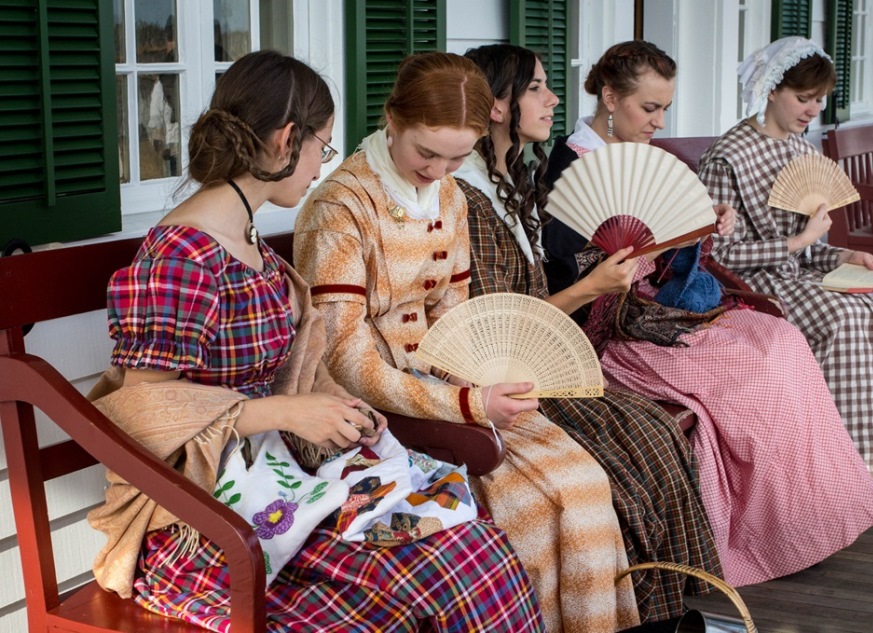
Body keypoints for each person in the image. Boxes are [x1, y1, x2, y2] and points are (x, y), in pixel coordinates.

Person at [86, 50, 543, 633]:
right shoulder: (181, 257)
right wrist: (285, 410)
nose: (320, 168)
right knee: (442, 570)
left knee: (477, 550)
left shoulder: (246, 244)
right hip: (204, 516)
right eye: (321, 148)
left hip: (281, 479)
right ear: (285, 141)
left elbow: (298, 363)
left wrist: (348, 410)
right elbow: (140, 412)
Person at [295, 51, 637, 632]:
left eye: (456, 157)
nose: (437, 171)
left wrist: (474, 379)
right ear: (391, 121)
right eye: (425, 152)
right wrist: (468, 405)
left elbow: (453, 316)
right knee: (524, 512)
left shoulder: (451, 196)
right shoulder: (340, 207)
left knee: (584, 485)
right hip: (374, 408)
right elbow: (343, 356)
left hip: (445, 384)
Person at [538, 40, 873, 587]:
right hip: (614, 327)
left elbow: (677, 236)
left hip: (666, 309)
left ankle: (802, 520)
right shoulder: (571, 166)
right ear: (609, 96)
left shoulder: (644, 155)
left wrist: (707, 219)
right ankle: (758, 532)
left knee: (780, 341)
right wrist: (641, 253)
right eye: (648, 108)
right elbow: (570, 272)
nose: (657, 121)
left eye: (664, 110)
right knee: (749, 371)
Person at [454, 44, 726, 628]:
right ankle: (638, 617)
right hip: (512, 371)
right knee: (624, 457)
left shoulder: (518, 176)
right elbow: (500, 325)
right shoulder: (470, 194)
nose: (553, 98)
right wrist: (591, 285)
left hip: (549, 348)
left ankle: (664, 607)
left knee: (656, 434)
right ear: (497, 105)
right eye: (537, 88)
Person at [699, 36, 873, 502]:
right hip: (748, 283)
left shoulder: (805, 153)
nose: (812, 110)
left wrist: (845, 257)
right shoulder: (727, 155)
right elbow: (716, 255)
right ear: (772, 88)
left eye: (819, 100)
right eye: (803, 98)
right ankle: (838, 479)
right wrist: (797, 243)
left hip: (797, 274)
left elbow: (813, 251)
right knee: (843, 320)